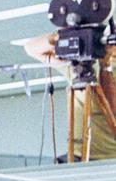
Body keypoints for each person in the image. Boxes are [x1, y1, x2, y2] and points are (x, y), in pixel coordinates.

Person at [23, 29, 116, 161]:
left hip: (109, 159)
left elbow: (112, 110)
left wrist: (106, 67)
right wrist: (66, 37)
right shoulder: (85, 64)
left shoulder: (102, 65)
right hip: (78, 156)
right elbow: (31, 48)